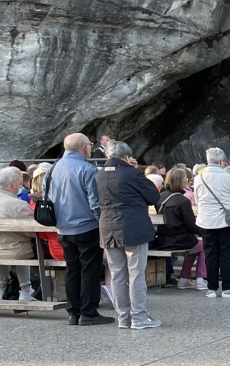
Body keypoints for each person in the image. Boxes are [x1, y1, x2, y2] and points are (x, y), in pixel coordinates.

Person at [46, 132, 112, 326]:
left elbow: (47, 196)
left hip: (62, 228)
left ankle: (72, 312)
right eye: (90, 145)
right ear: (85, 148)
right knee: (90, 270)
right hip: (86, 227)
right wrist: (103, 225)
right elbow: (95, 203)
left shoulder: (52, 169)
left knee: (72, 269)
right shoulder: (87, 169)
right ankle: (89, 312)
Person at [95, 141, 162, 329]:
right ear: (126, 157)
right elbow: (153, 196)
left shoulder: (99, 175)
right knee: (136, 275)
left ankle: (123, 318)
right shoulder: (132, 174)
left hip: (108, 228)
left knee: (117, 275)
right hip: (133, 228)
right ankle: (139, 318)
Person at [194, 147, 230, 299]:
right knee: (225, 254)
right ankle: (227, 287)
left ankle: (211, 288)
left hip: (205, 220)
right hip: (224, 220)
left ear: (207, 160)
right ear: (222, 161)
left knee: (210, 254)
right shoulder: (228, 177)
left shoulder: (198, 178)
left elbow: (197, 199)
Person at [154, 167, 205, 289]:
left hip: (162, 240)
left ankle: (184, 278)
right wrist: (203, 231)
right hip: (180, 241)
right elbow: (191, 226)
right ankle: (200, 279)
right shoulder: (183, 201)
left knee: (195, 245)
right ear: (182, 181)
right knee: (204, 245)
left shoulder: (159, 198)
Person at [0, 166, 37, 302]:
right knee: (23, 246)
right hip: (17, 251)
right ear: (13, 184)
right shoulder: (19, 205)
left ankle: (2, 286)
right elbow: (33, 233)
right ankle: (26, 290)